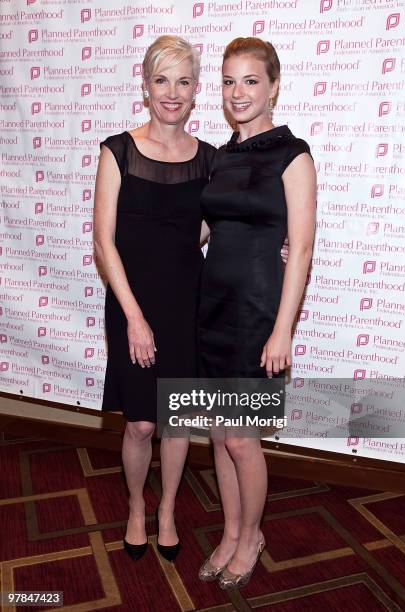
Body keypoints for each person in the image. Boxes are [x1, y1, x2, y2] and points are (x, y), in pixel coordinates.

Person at [198, 37, 316, 588]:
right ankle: (229, 531)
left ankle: (253, 537)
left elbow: (303, 248)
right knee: (219, 434)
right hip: (212, 308)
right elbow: (201, 230)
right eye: (228, 80)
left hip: (257, 311)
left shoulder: (293, 155)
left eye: (250, 80)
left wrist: (282, 330)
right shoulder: (219, 157)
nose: (237, 92)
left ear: (273, 86)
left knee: (243, 437)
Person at [93, 35, 216, 562]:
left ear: (195, 92)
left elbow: (207, 227)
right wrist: (135, 319)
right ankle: (136, 507)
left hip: (187, 301)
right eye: (162, 79)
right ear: (145, 86)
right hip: (132, 305)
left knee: (179, 417)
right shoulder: (116, 150)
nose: (172, 92)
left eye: (182, 81)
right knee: (142, 421)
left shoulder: (209, 158)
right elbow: (103, 242)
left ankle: (167, 509)